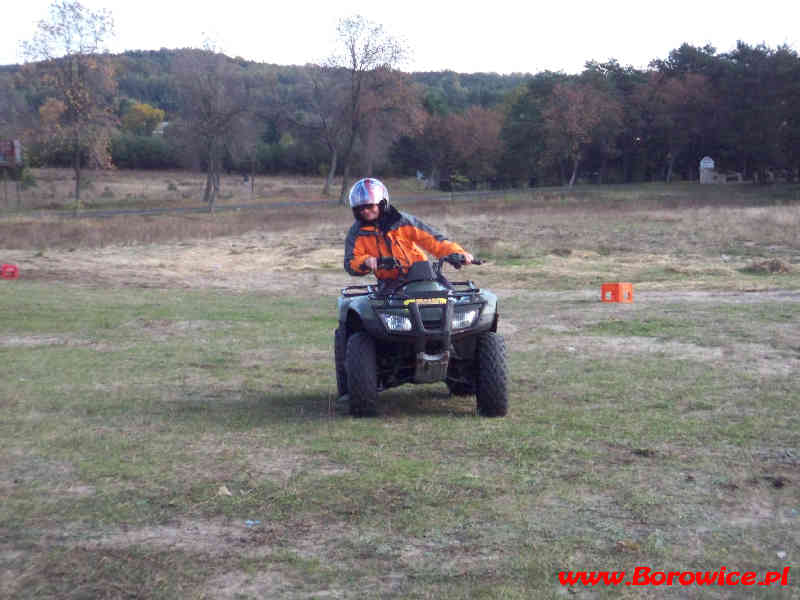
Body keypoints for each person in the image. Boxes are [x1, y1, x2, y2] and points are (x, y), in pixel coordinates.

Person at [344, 178, 473, 282]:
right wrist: (366, 261)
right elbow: (351, 262)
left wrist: (458, 253)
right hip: (390, 284)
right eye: (360, 208)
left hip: (422, 276)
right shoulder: (357, 233)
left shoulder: (402, 221)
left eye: (369, 206)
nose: (365, 211)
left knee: (449, 301)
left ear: (381, 203)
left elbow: (433, 241)